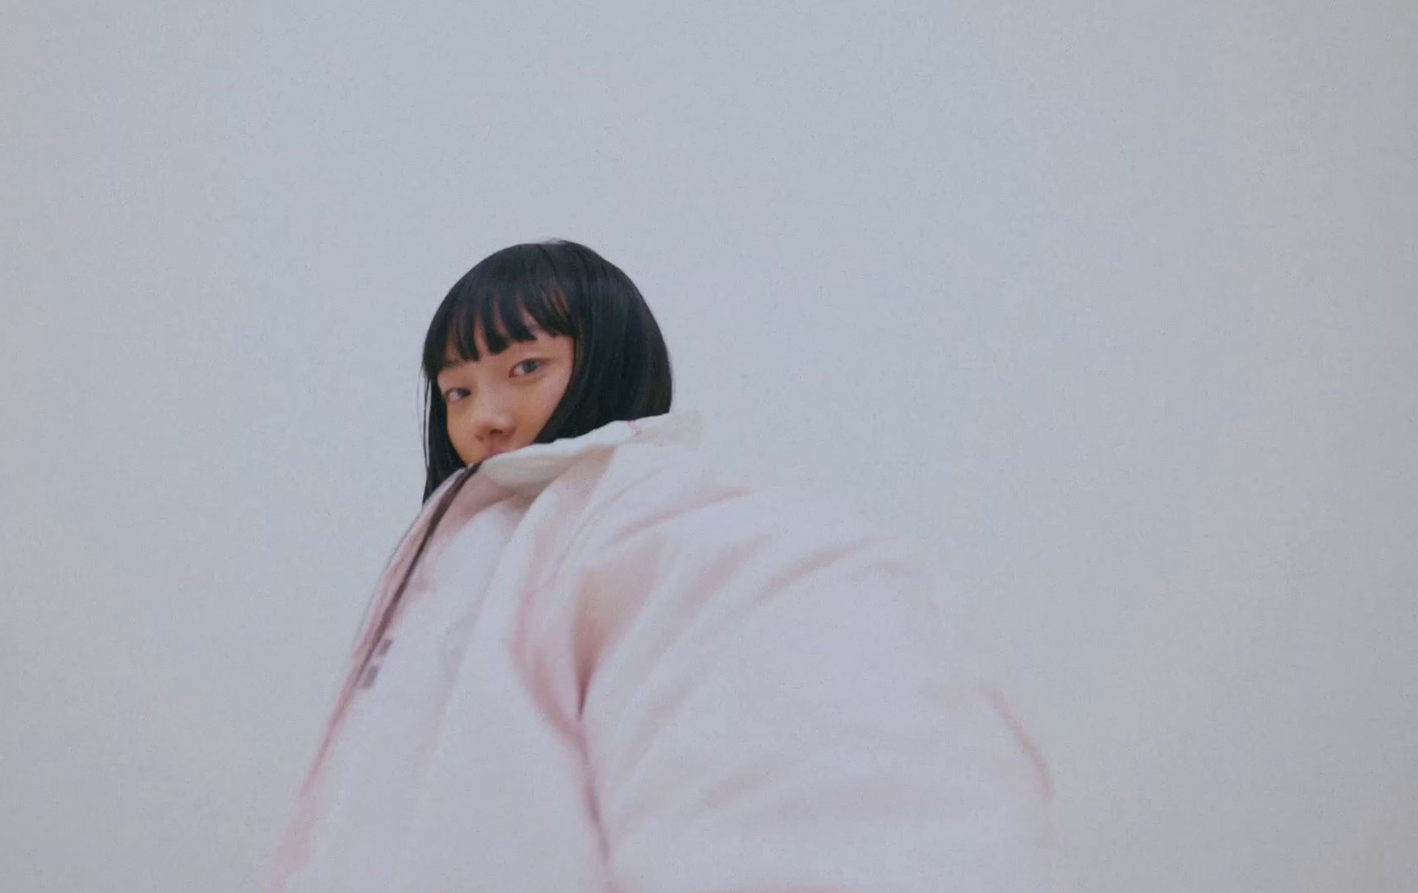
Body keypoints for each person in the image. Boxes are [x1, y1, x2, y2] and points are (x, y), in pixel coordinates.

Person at [271, 240, 1060, 892]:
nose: (485, 417)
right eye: (456, 390)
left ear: (610, 357)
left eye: (524, 368)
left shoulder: (636, 509)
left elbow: (803, 748)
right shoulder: (464, 554)